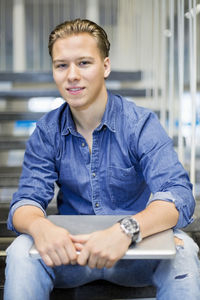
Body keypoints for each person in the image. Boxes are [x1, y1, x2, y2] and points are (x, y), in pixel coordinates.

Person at [4, 18, 200, 300]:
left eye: (84, 63)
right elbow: (25, 202)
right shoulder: (47, 131)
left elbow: (179, 194)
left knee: (185, 251)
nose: (72, 75)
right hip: (72, 255)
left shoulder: (139, 124)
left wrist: (126, 230)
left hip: (135, 250)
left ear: (105, 66)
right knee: (21, 250)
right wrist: (41, 226)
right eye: (62, 65)